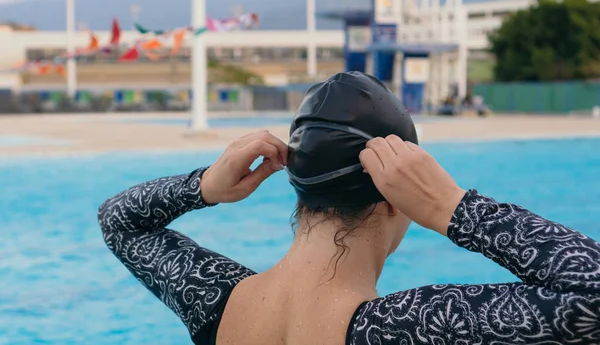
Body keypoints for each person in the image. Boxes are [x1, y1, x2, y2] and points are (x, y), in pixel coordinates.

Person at [99, 72, 600, 345]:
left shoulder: (214, 300)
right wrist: (454, 208)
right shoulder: (403, 327)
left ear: (301, 189)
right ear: (394, 196)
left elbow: (119, 222)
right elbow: (591, 298)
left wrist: (205, 186)